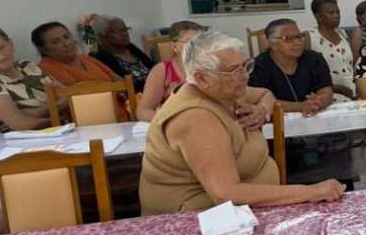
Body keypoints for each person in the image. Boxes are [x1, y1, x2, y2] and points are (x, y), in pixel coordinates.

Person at [138, 31, 344, 214]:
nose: (245, 76)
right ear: (202, 79)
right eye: (234, 70)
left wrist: (262, 110)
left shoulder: (224, 90)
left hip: (250, 210)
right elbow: (226, 193)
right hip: (195, 222)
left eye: (246, 66)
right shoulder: (195, 116)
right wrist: (310, 191)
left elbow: (266, 93)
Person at [250, 18, 355, 187]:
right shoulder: (260, 66)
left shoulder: (313, 59)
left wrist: (318, 102)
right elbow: (262, 100)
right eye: (288, 39)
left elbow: (326, 90)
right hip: (279, 136)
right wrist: (301, 107)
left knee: (338, 154)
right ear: (272, 44)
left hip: (318, 128)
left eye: (299, 37)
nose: (297, 42)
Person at [136, 21, 207, 121]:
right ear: (174, 46)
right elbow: (144, 111)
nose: (197, 47)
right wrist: (170, 121)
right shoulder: (162, 70)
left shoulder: (211, 67)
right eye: (191, 43)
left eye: (201, 42)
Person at [34, 22, 119, 85]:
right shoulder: (46, 68)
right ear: (43, 49)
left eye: (66, 37)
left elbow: (118, 80)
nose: (66, 43)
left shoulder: (85, 58)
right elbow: (76, 93)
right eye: (56, 42)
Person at [310, 0, 357, 98]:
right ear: (318, 16)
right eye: (331, 13)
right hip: (327, 94)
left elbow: (351, 64)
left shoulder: (343, 34)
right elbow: (305, 73)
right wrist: (336, 88)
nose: (336, 15)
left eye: (338, 12)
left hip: (351, 92)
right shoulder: (310, 37)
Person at [91, 15, 154, 90]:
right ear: (102, 36)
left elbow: (153, 67)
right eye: (119, 31)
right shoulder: (100, 58)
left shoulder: (131, 48)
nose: (125, 34)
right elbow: (123, 86)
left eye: (125, 30)